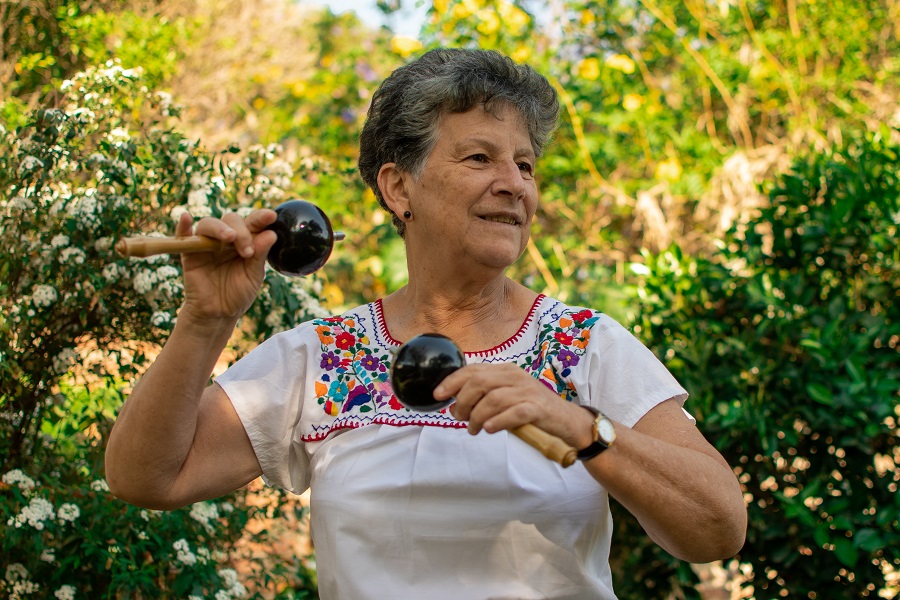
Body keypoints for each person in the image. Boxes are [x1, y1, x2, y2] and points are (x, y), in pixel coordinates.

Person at [105, 48, 746, 599]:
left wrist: (579, 427)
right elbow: (146, 477)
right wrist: (204, 320)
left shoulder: (585, 347)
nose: (513, 185)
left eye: (524, 165)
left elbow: (718, 528)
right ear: (398, 187)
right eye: (479, 159)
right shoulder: (325, 358)